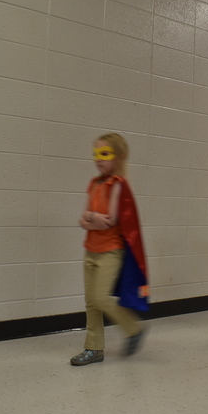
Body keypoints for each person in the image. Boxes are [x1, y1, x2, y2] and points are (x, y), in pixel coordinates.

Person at [70, 133, 148, 366]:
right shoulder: (94, 184)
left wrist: (89, 218)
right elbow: (83, 220)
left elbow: (111, 220)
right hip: (90, 250)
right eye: (96, 154)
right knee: (91, 302)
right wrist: (92, 217)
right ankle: (94, 348)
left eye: (105, 154)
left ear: (119, 157)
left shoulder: (118, 184)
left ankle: (133, 328)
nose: (99, 159)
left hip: (111, 251)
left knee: (101, 298)